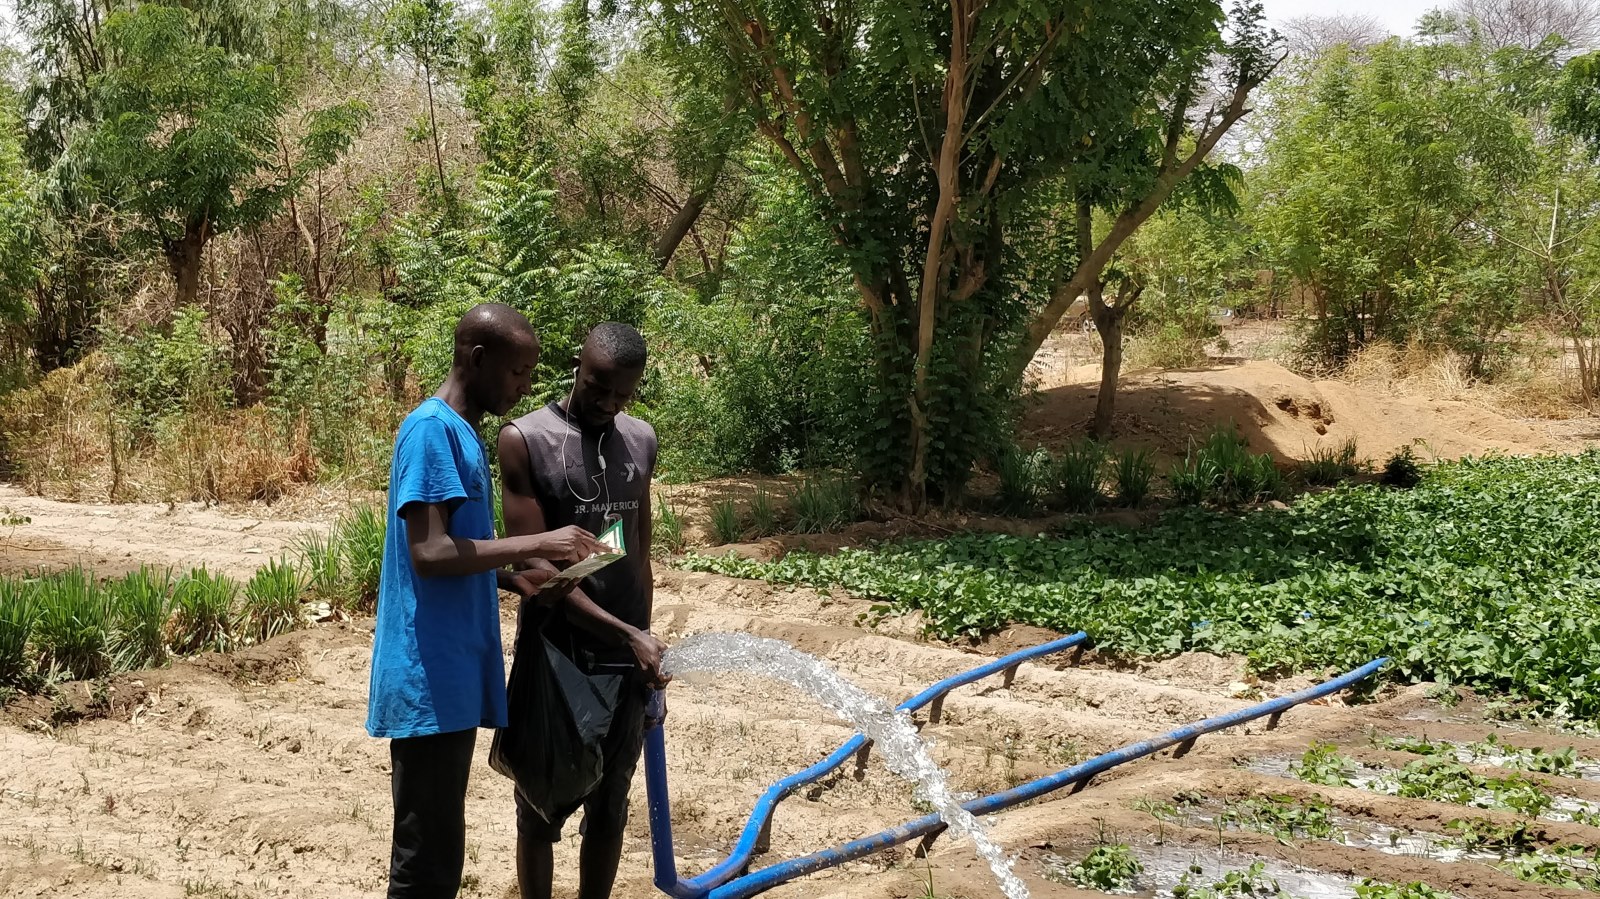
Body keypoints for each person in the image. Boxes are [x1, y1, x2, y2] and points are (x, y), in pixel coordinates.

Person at [367, 303, 606, 899]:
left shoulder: (460, 432)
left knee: (442, 851)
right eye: (518, 371)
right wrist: (540, 543)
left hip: (452, 673)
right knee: (424, 862)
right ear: (477, 359)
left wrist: (511, 579)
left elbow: (455, 550)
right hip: (428, 675)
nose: (525, 386)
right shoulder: (431, 430)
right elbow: (429, 552)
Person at [499, 321, 668, 899]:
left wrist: (644, 640)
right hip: (556, 653)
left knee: (611, 803)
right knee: (539, 807)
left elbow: (638, 551)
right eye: (598, 387)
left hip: (626, 657)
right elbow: (533, 566)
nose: (609, 403)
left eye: (623, 394)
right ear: (578, 366)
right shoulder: (526, 439)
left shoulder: (640, 440)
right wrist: (627, 635)